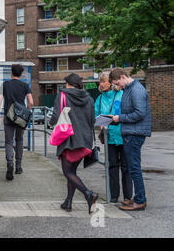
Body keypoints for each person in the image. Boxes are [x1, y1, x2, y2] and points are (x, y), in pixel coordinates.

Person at [48, 73, 98, 214]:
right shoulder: (88, 98)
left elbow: (56, 116)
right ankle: (68, 202)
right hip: (85, 140)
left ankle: (89, 194)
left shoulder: (63, 95)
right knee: (72, 172)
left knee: (68, 172)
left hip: (69, 139)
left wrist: (51, 123)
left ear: (69, 84)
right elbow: (92, 120)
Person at [109, 68, 151, 211]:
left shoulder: (136, 90)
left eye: (118, 84)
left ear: (122, 76)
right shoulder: (130, 89)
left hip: (134, 133)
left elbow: (140, 113)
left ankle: (140, 200)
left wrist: (120, 118)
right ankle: (138, 197)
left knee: (134, 168)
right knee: (133, 168)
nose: (118, 87)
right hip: (131, 132)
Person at [94, 72, 133, 204]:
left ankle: (128, 196)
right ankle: (114, 195)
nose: (102, 84)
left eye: (104, 81)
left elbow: (127, 113)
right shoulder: (99, 99)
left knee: (126, 167)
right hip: (109, 136)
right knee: (112, 167)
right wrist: (99, 123)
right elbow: (96, 115)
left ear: (111, 82)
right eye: (100, 82)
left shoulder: (121, 94)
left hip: (123, 135)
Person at [0, 64, 33, 181]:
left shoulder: (5, 85)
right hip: (21, 117)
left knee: (9, 141)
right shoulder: (25, 85)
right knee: (19, 140)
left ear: (11, 73)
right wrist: (27, 112)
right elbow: (31, 101)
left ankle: (10, 163)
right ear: (21, 74)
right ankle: (18, 166)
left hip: (8, 116)